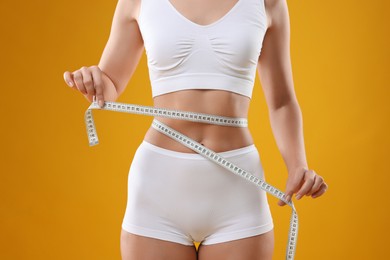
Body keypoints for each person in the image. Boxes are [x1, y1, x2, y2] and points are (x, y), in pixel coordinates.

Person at [63, 0, 328, 259]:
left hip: (237, 190)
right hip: (158, 186)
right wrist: (94, 81)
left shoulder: (268, 3)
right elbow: (110, 83)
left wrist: (297, 165)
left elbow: (282, 102)